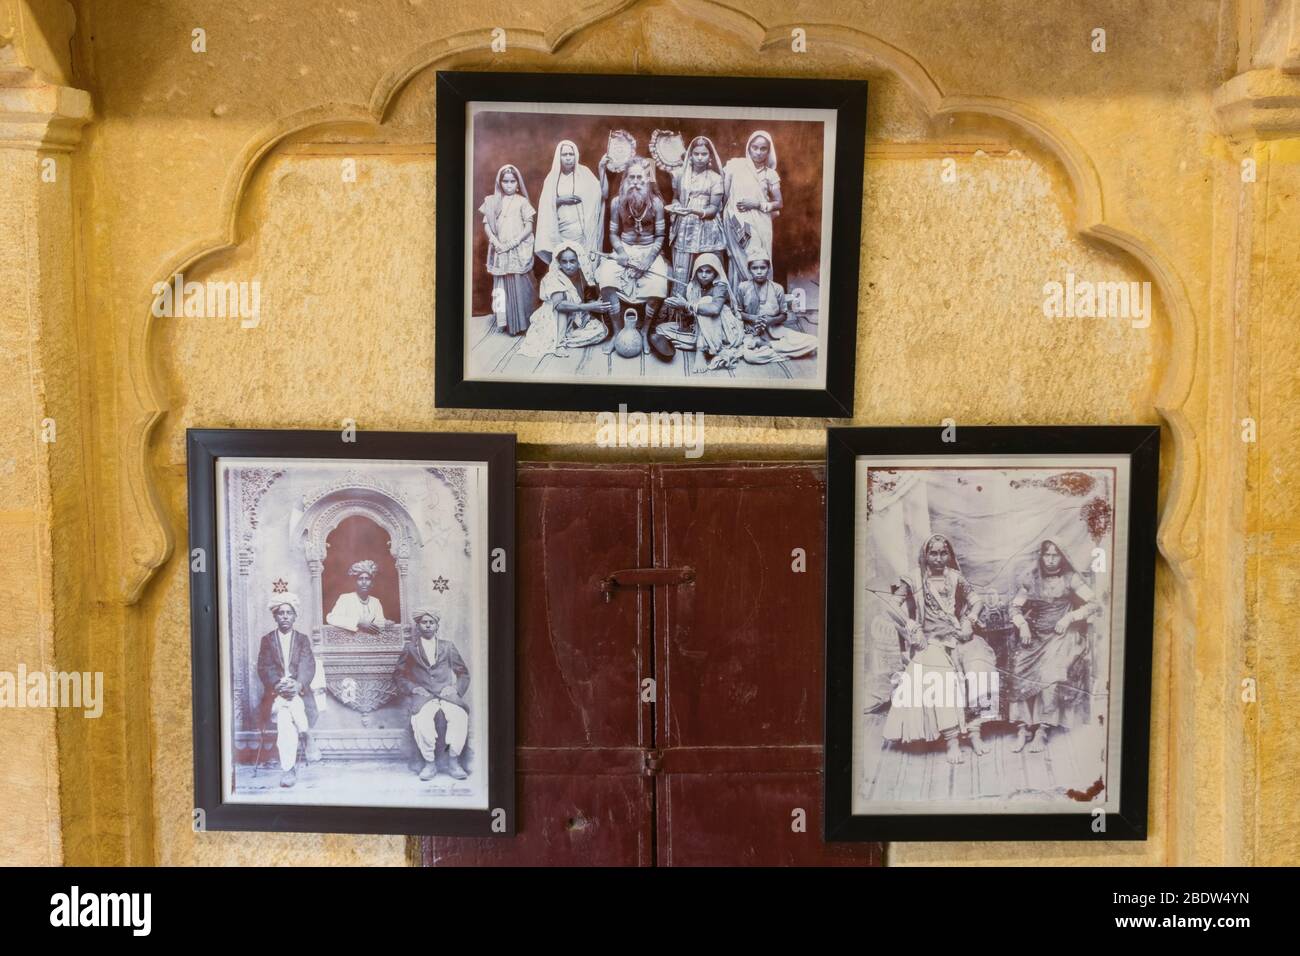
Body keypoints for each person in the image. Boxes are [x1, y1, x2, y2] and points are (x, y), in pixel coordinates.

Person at [884, 534, 996, 763]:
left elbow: (977, 601)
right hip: (931, 641)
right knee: (941, 677)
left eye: (943, 553)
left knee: (979, 668)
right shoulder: (914, 579)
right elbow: (890, 604)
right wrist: (911, 624)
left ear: (949, 554)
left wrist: (969, 621)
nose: (938, 558)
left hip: (958, 636)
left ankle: (975, 733)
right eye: (933, 553)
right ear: (925, 555)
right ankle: (952, 741)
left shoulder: (955, 577)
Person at [1008, 540, 1100, 753]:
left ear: (1062, 557)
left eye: (1055, 555)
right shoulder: (1031, 578)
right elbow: (1014, 607)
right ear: (1041, 556)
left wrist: (1069, 617)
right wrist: (1022, 625)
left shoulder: (1071, 579)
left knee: (1048, 674)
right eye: (1046, 555)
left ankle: (1042, 728)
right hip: (1035, 635)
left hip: (1062, 636)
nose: (1050, 560)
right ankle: (1023, 729)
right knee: (1018, 668)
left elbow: (1094, 603)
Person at [595, 157, 668, 355]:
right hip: (624, 250)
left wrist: (648, 260)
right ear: (625, 179)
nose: (636, 181)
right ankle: (618, 332)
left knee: (659, 285)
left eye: (640, 177)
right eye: (632, 177)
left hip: (649, 251)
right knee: (606, 279)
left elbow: (660, 236)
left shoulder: (656, 204)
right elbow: (612, 234)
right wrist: (620, 253)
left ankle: (643, 332)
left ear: (647, 180)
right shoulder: (617, 202)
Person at [394, 608, 471, 781]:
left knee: (459, 716)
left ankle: (454, 762)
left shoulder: (447, 646)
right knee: (421, 721)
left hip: (446, 694)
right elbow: (398, 675)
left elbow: (463, 673)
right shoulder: (410, 648)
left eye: (431, 622)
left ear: (437, 625)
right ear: (418, 625)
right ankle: (429, 764)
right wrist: (413, 688)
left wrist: (455, 689)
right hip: (423, 695)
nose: (428, 625)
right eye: (424, 622)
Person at [255, 592, 320, 788]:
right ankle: (307, 734)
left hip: (297, 695)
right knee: (285, 708)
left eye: (288, 612)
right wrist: (277, 684)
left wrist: (298, 685)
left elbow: (308, 664)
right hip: (275, 695)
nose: (284, 616)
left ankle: (287, 770)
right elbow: (263, 667)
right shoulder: (267, 640)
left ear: (294, 616)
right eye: (280, 613)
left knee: (285, 718)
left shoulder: (302, 639)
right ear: (275, 616)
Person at [519, 240, 614, 357]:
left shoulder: (582, 274)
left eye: (572, 261)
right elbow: (560, 306)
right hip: (555, 317)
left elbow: (586, 297)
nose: (568, 266)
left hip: (575, 314)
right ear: (559, 262)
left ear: (579, 261)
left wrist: (597, 305)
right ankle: (559, 343)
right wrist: (590, 306)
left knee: (601, 331)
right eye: (564, 262)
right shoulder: (554, 276)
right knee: (563, 305)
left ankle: (570, 335)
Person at [666, 136, 727, 310]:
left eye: (704, 154)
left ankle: (706, 312)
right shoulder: (680, 176)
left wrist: (693, 211)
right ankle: (679, 317)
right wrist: (677, 207)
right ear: (690, 155)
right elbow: (676, 197)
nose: (700, 157)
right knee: (681, 270)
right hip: (684, 228)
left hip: (707, 230)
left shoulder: (716, 178)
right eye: (696, 154)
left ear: (710, 157)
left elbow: (714, 209)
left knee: (707, 271)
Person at [479, 164, 537, 335]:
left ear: (518, 184)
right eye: (505, 181)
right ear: (500, 182)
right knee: (500, 286)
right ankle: (503, 321)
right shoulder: (492, 201)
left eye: (512, 181)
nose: (509, 185)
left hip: (517, 248)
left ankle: (520, 322)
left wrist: (513, 243)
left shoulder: (522, 202)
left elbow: (529, 227)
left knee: (519, 282)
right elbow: (487, 225)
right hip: (499, 249)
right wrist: (496, 242)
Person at [722, 130, 783, 291]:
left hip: (760, 223)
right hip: (737, 222)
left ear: (769, 151)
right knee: (739, 259)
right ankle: (740, 300)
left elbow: (779, 203)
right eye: (755, 147)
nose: (758, 152)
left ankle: (763, 299)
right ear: (748, 148)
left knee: (759, 258)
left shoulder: (770, 174)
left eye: (763, 148)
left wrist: (757, 204)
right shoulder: (735, 166)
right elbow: (726, 195)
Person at [657, 253, 743, 365]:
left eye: (708, 272)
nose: (703, 275)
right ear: (695, 271)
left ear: (716, 272)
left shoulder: (720, 286)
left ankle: (700, 350)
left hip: (724, 331)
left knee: (705, 301)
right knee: (661, 329)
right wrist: (680, 308)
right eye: (700, 271)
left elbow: (715, 309)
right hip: (700, 329)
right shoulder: (693, 287)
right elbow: (692, 316)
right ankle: (702, 343)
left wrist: (687, 305)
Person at [534, 140, 603, 275]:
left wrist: (601, 169)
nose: (568, 158)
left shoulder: (585, 173)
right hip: (562, 231)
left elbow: (600, 194)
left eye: (571, 154)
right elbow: (545, 205)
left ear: (576, 155)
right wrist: (560, 200)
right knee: (563, 266)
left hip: (582, 231)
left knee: (583, 265)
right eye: (564, 154)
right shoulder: (552, 178)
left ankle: (584, 293)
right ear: (559, 157)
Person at [735, 253, 818, 358]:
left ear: (768, 268)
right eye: (755, 268)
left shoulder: (777, 288)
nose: (759, 272)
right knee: (750, 356)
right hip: (751, 331)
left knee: (813, 341)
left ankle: (768, 345)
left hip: (775, 329)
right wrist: (753, 318)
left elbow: (784, 315)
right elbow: (738, 312)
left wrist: (771, 320)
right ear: (749, 270)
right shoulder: (743, 287)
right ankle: (784, 350)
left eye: (763, 268)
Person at [325, 560, 391, 634]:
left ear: (371, 583)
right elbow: (331, 618)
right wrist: (358, 622)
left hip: (370, 642)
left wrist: (385, 623)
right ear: (355, 582)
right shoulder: (345, 598)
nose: (364, 582)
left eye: (367, 579)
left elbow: (378, 622)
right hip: (350, 642)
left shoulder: (375, 601)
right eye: (360, 579)